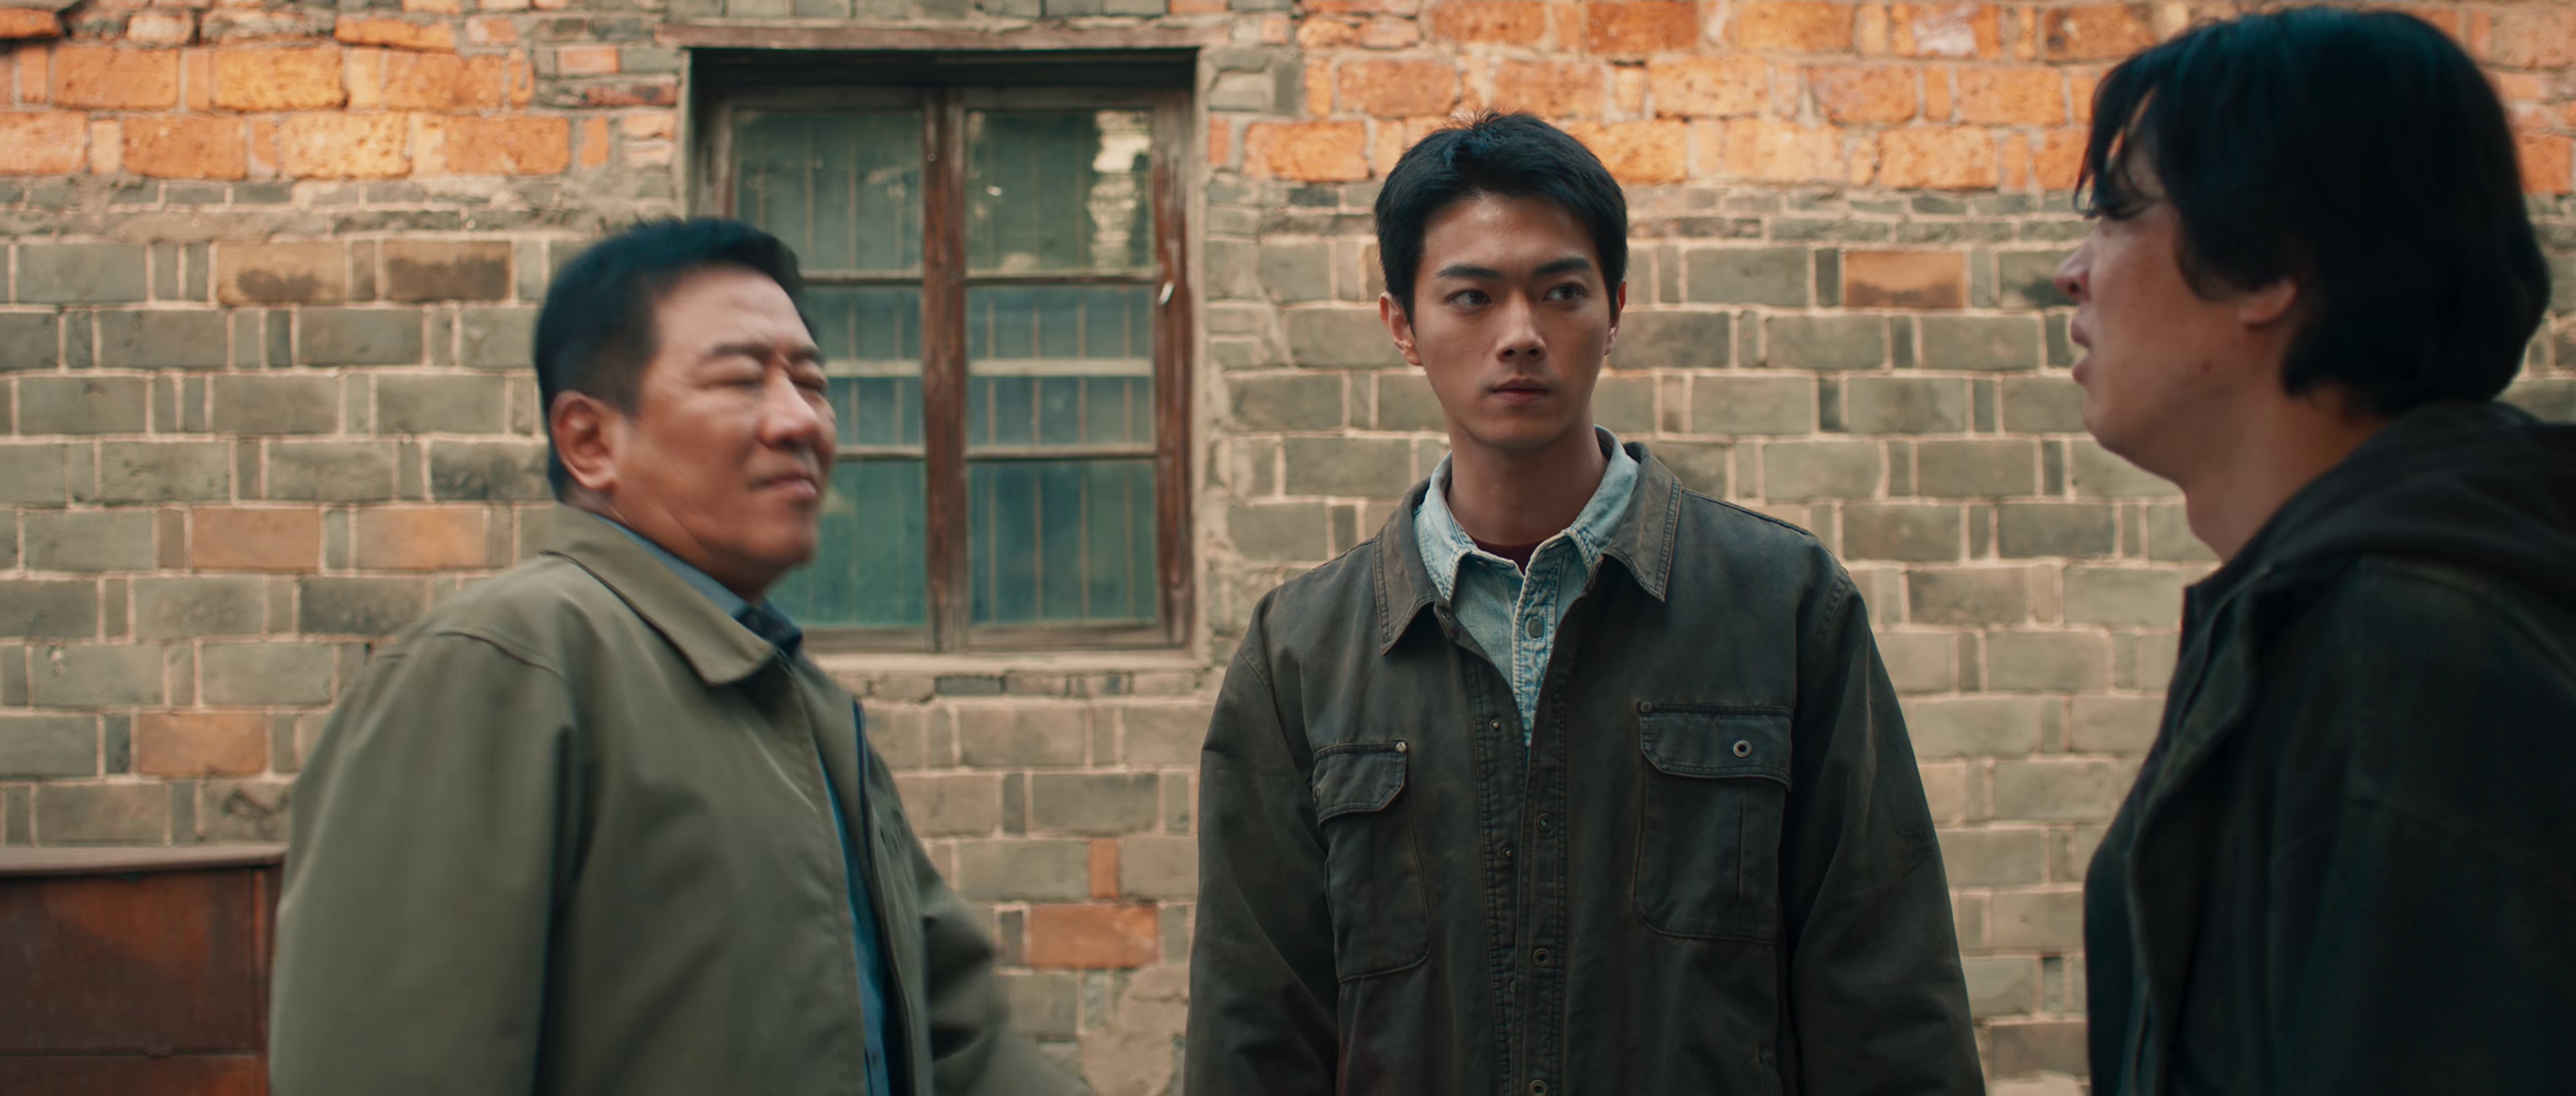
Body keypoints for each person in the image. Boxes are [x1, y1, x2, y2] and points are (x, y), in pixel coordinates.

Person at [1185, 113, 1982, 1095]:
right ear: (1402, 324)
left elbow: (1887, 999)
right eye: (1472, 296)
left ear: (1615, 310)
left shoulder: (1782, 606)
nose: (1521, 335)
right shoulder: (1304, 653)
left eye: (1561, 291)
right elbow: (1253, 1026)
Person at [270, 219, 1077, 1096]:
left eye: (812, 383)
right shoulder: (504, 667)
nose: (798, 420)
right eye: (741, 380)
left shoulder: (796, 703)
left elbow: (959, 1042)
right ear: (590, 441)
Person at [2054, 10, 2576, 1094]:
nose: (2073, 271)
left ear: (2270, 263)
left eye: (2116, 211)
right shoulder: (2324, 605)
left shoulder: (2411, 646)